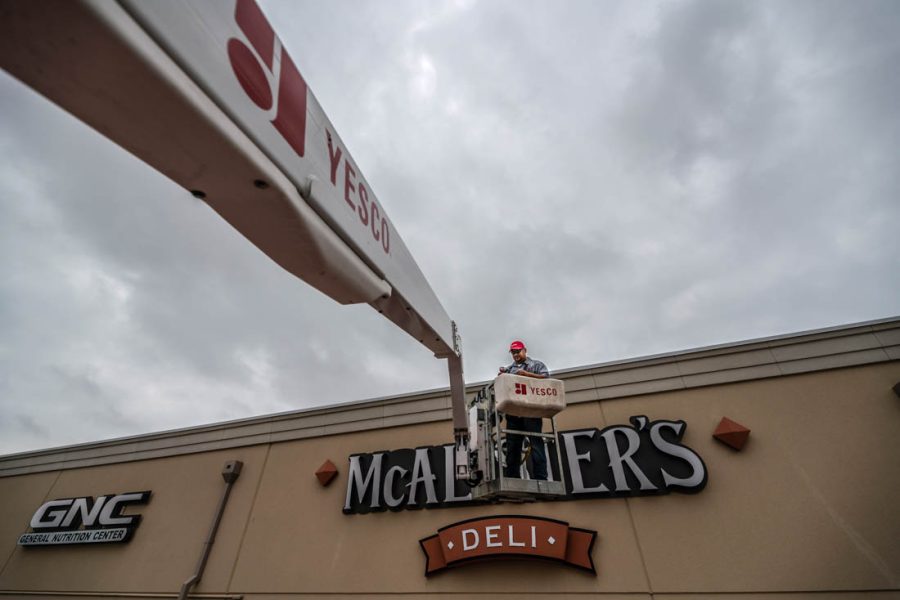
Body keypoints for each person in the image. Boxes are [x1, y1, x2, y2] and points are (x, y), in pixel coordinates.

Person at [499, 340, 549, 480]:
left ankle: (540, 477)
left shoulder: (536, 365)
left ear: (525, 350)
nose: (515, 354)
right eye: (513, 352)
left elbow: (546, 379)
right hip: (514, 413)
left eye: (518, 351)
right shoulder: (509, 369)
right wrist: (501, 377)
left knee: (536, 444)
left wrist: (527, 375)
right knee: (512, 447)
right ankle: (513, 477)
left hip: (531, 411)